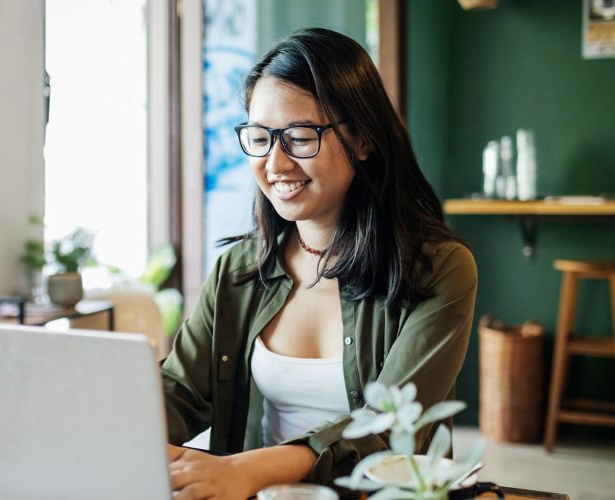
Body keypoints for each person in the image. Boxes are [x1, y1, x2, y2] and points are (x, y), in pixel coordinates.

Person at [163, 28, 477, 500]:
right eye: (261, 137)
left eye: (299, 136)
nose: (276, 162)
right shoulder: (238, 271)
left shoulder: (440, 270)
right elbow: (180, 392)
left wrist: (248, 470)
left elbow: (386, 431)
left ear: (364, 139)